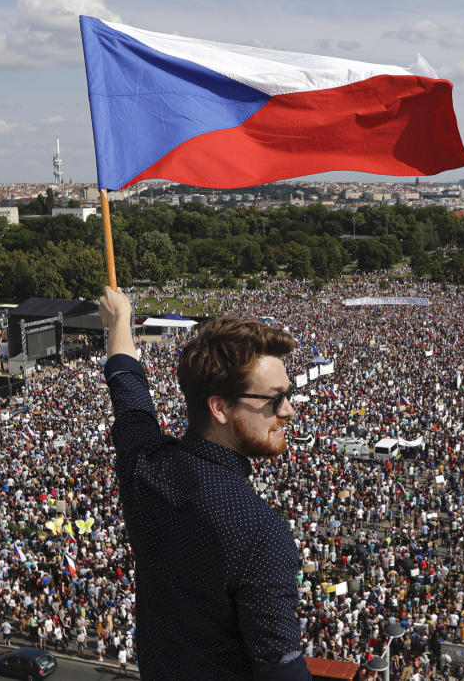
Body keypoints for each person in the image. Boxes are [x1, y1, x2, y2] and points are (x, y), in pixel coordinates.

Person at [99, 286, 311, 681]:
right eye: (274, 400)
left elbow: (128, 389)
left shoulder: (145, 465)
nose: (289, 410)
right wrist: (120, 321)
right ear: (220, 407)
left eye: (289, 394)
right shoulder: (260, 533)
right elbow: (283, 673)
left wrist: (119, 321)